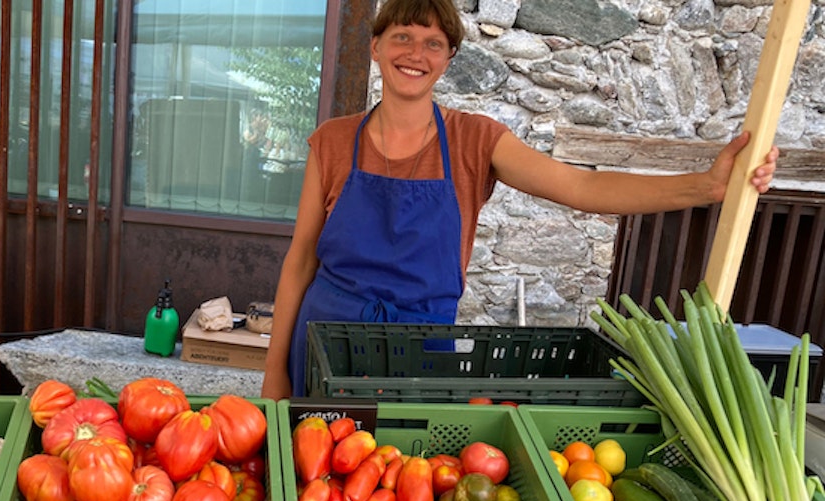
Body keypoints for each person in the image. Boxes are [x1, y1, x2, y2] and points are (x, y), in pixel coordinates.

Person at [261, 0, 780, 400]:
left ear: (449, 59)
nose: (415, 54)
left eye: (433, 43)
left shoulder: (476, 141)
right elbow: (300, 262)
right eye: (402, 37)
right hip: (324, 340)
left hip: (418, 351)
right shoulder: (331, 140)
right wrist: (273, 372)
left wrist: (704, 187)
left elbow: (582, 188)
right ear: (375, 46)